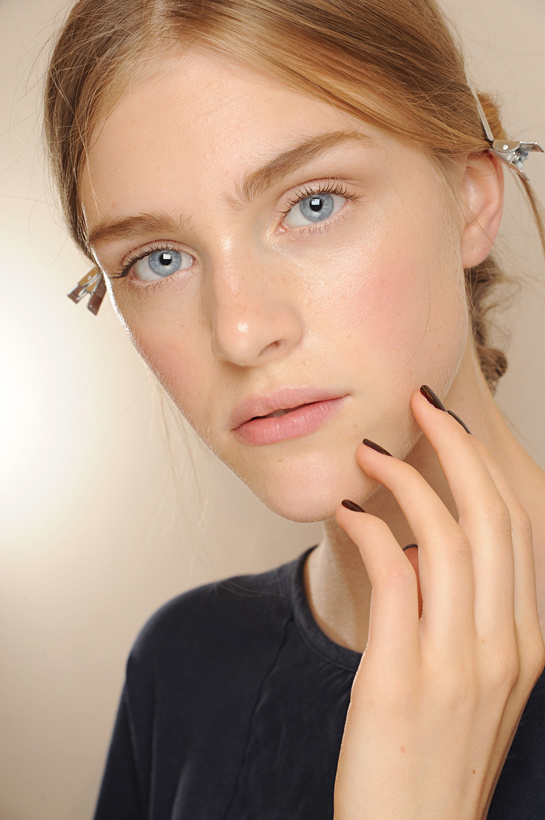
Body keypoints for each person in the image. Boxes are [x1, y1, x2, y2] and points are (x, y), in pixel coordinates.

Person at [44, 0, 545, 816]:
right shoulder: (182, 666)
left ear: (471, 201)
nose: (240, 331)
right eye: (158, 259)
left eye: (313, 203)